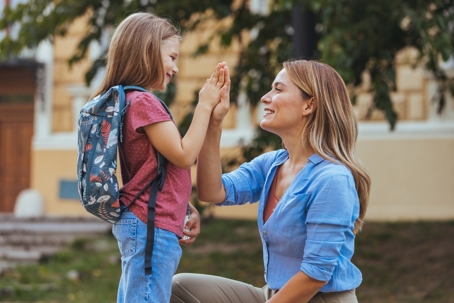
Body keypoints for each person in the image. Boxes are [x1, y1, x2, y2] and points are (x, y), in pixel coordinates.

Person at [171, 59, 371, 303]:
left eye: (278, 89)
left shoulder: (332, 180)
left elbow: (316, 274)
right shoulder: (273, 164)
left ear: (309, 105)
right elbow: (213, 191)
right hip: (273, 294)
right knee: (179, 288)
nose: (265, 97)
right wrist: (213, 121)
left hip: (318, 297)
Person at [90, 12, 230, 303]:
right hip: (148, 225)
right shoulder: (143, 102)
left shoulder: (128, 99)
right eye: (172, 57)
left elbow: (155, 168)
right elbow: (183, 155)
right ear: (148, 52)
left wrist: (180, 206)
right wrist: (204, 105)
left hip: (146, 221)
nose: (176, 68)